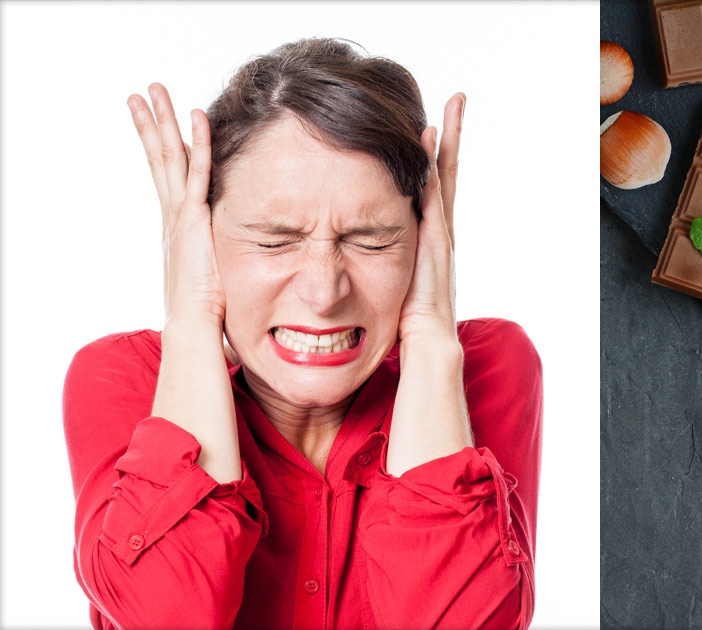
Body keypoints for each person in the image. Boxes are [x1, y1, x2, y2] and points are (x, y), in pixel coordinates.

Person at [62, 37, 542, 629]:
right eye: (274, 239)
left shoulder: (481, 367)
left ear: (425, 241)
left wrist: (429, 338)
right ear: (203, 239)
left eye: (371, 239)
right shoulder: (124, 380)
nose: (324, 292)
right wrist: (190, 315)